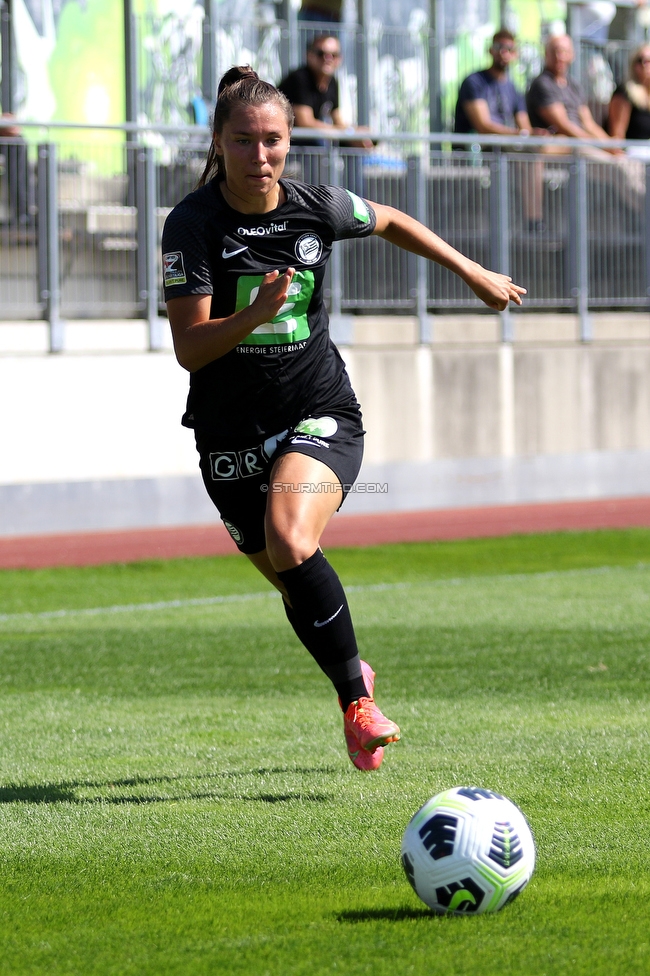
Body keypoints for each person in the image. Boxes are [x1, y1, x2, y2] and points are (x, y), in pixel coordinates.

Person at [161, 66, 525, 772]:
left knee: (291, 538)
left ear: (291, 142)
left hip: (318, 410)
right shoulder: (192, 225)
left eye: (272, 141)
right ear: (219, 142)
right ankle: (355, 689)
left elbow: (389, 219)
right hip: (228, 436)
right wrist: (257, 314)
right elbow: (189, 348)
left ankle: (358, 704)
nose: (259, 156)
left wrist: (471, 271)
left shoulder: (316, 208)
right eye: (243, 142)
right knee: (292, 582)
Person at [526, 33, 645, 209]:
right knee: (619, 169)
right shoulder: (542, 84)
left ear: (572, 55)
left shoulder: (573, 85)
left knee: (629, 165)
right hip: (565, 147)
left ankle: (641, 219)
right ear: (546, 54)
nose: (560, 56)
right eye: (555, 51)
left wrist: (611, 146)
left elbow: (588, 123)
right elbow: (565, 125)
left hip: (579, 144)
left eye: (564, 51)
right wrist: (600, 146)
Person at [454, 28, 546, 232]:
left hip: (506, 147)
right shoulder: (474, 82)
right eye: (499, 47)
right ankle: (534, 221)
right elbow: (483, 126)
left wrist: (535, 135)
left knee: (543, 149)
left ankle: (534, 221)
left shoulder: (513, 87)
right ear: (490, 50)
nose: (504, 52)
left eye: (509, 48)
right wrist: (520, 135)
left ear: (516, 54)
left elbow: (525, 128)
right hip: (479, 147)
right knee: (531, 156)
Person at [278, 35, 372, 149]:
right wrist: (347, 133)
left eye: (334, 55)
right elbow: (305, 122)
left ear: (340, 59)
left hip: (307, 144)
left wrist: (355, 133)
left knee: (353, 145)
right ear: (309, 55)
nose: (328, 58)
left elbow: (338, 120)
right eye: (321, 53)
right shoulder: (300, 79)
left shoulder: (332, 81)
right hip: (289, 144)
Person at [607, 44, 650, 154]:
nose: (647, 65)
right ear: (634, 65)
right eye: (643, 60)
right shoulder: (625, 92)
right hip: (635, 153)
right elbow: (617, 133)